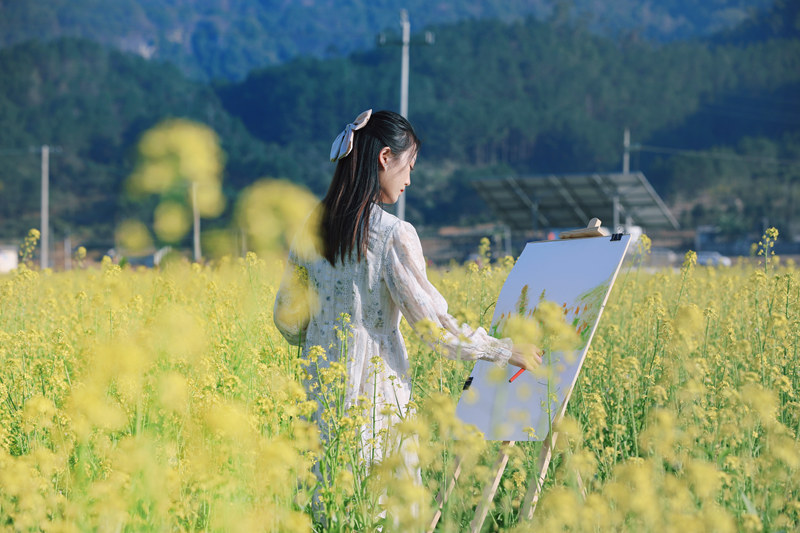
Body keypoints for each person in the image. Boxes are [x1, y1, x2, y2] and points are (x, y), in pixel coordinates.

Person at [273, 109, 540, 463]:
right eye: (409, 167)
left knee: (329, 507)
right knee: (379, 505)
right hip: (374, 402)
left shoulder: (311, 225)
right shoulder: (391, 233)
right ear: (385, 157)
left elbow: (287, 319)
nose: (409, 180)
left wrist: (326, 337)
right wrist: (504, 351)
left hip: (319, 396)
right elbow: (435, 329)